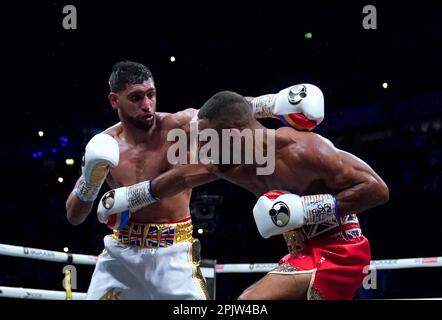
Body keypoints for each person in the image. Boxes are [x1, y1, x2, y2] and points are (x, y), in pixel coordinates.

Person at [66, 61, 325, 300]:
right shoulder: (105, 146)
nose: (147, 105)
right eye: (136, 97)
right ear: (114, 100)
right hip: (120, 253)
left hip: (174, 252)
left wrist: (274, 103)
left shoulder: (178, 127)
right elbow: (74, 216)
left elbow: (224, 112)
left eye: (151, 94)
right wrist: (90, 182)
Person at [98, 90, 389, 300]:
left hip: (341, 249)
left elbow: (377, 189)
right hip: (300, 252)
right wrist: (129, 197)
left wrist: (307, 209)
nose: (206, 151)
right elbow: (177, 179)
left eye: (211, 141)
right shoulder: (228, 162)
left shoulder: (302, 150)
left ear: (236, 134)